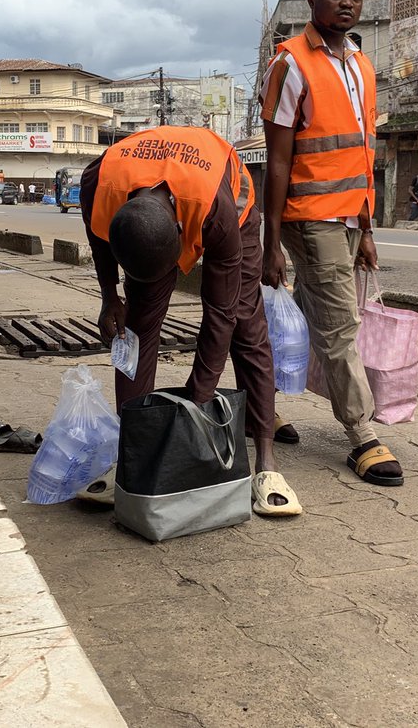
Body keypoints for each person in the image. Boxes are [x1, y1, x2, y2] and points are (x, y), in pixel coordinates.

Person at [77, 125, 301, 516]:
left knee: (246, 327)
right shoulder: (98, 182)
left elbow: (220, 315)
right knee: (138, 325)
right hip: (159, 209)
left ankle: (266, 462)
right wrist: (111, 296)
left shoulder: (217, 210)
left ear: (180, 233)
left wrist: (197, 402)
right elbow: (98, 237)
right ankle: (129, 455)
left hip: (232, 207)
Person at [260, 0, 403, 488]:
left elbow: (362, 154)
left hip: (347, 217)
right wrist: (270, 242)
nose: (347, 2)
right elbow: (277, 159)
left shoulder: (361, 64)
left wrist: (366, 229)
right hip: (307, 215)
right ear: (313, 0)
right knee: (339, 324)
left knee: (295, 318)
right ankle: (362, 434)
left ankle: (261, 399)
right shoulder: (290, 64)